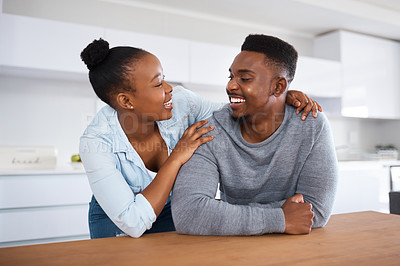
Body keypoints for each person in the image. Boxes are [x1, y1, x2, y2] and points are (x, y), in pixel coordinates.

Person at [79, 38, 322, 239]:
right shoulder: (97, 142)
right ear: (126, 101)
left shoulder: (182, 102)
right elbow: (132, 222)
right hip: (119, 220)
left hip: (171, 210)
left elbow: (235, 110)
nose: (169, 88)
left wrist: (279, 96)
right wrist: (176, 158)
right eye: (157, 84)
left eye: (164, 78)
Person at [171, 34, 338, 235]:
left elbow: (315, 211)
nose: (230, 85)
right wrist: (281, 218)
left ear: (278, 87)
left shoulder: (311, 125)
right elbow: (188, 214)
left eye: (245, 78)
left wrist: (222, 214)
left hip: (296, 249)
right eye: (231, 76)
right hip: (234, 249)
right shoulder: (211, 130)